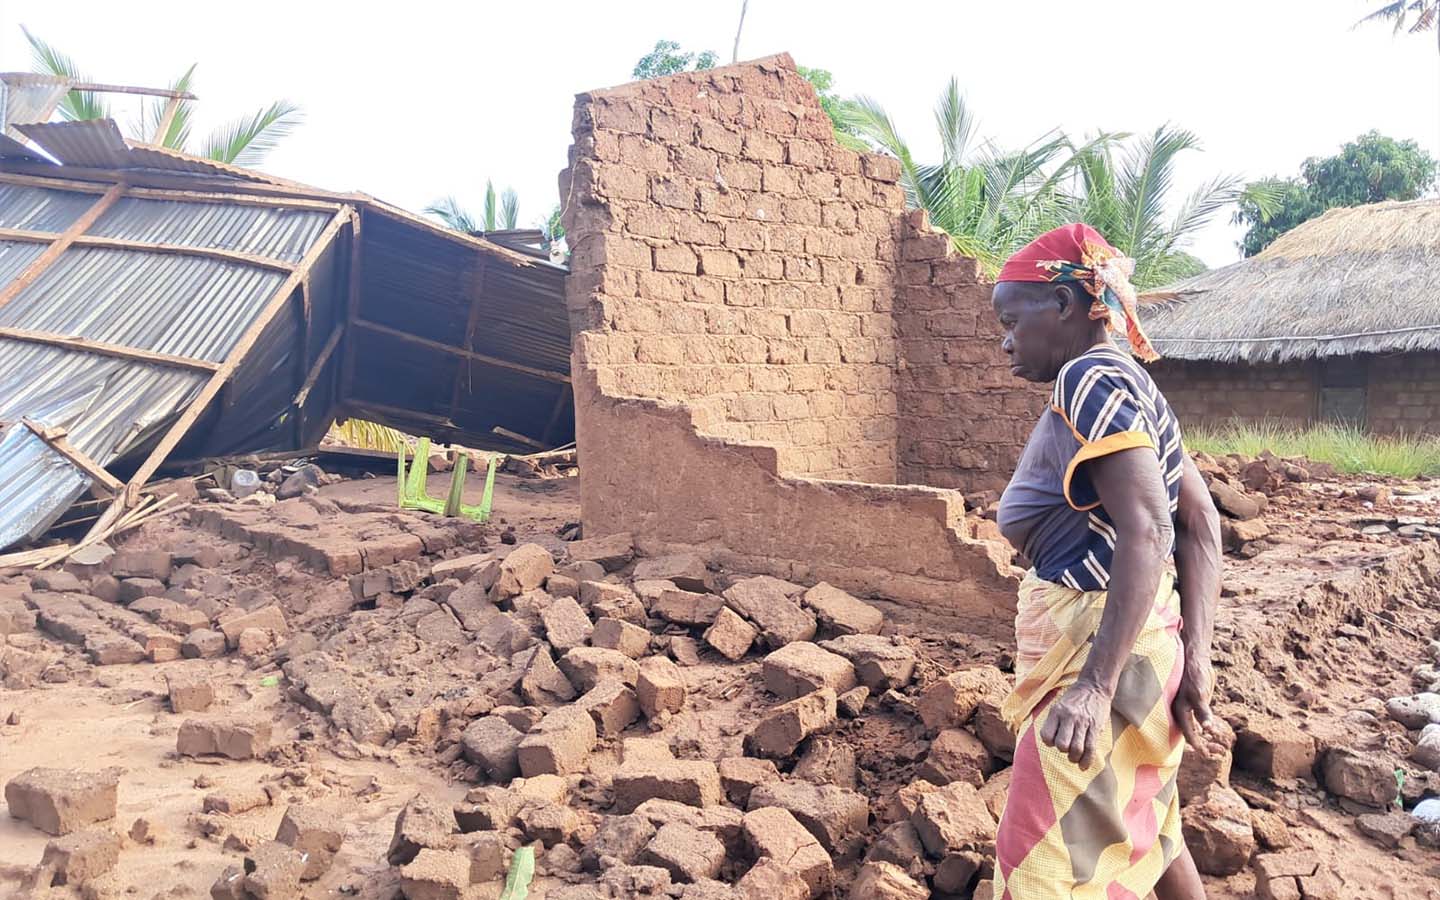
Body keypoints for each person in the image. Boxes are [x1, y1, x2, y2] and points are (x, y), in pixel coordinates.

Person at [989, 223, 1225, 899]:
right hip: (1147, 649)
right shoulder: (1138, 387)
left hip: (1102, 659)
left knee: (1037, 863)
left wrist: (1092, 686)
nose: (1005, 340)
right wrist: (1196, 660)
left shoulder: (1088, 375)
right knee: (1150, 825)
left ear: (1064, 306)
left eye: (1011, 320)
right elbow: (1200, 523)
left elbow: (1151, 526)